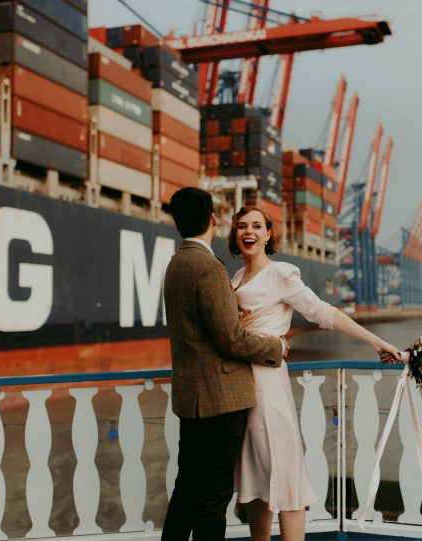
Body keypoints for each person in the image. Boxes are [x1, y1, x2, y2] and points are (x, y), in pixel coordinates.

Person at [228, 205, 404, 541]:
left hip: (267, 383)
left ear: (268, 235)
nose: (248, 231)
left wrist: (375, 341)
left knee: (285, 473)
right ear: (235, 234)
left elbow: (322, 312)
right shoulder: (236, 279)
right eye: (241, 226)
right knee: (257, 479)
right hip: (241, 384)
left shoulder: (281, 274)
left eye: (256, 226)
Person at [161, 188, 288, 541]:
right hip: (220, 401)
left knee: (185, 489)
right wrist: (275, 346)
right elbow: (231, 338)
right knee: (213, 498)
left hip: (190, 399)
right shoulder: (210, 268)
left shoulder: (175, 265)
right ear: (214, 221)